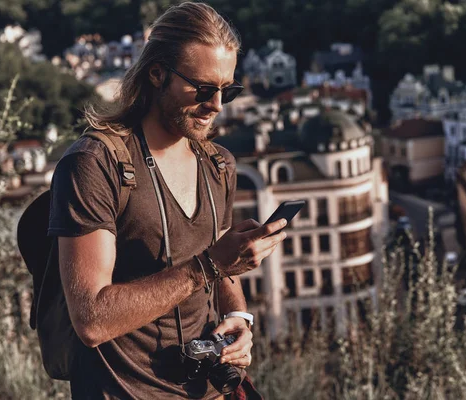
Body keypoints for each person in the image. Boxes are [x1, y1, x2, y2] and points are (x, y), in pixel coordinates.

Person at [48, 2, 287, 399]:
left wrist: (238, 318)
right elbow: (90, 320)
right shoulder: (94, 164)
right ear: (157, 73)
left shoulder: (218, 164)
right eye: (204, 89)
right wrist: (207, 266)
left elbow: (221, 273)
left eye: (227, 90)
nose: (217, 106)